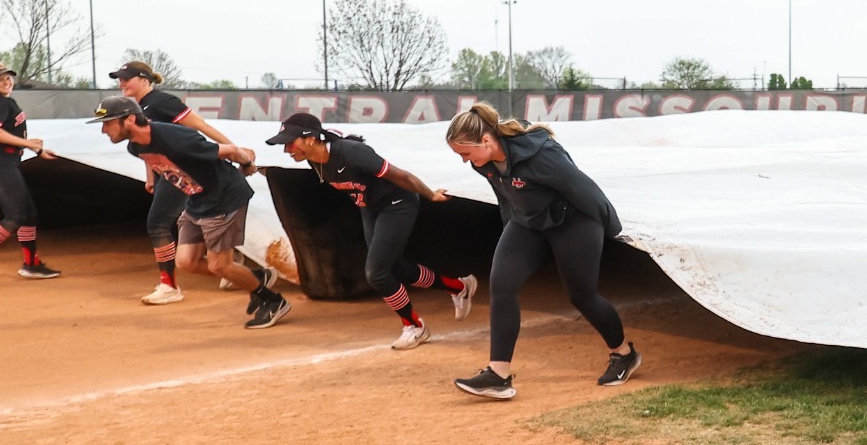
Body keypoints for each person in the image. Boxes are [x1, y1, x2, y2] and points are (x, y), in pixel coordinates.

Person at [443, 103, 638, 399]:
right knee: (502, 284)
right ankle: (498, 374)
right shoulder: (482, 163)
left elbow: (585, 191)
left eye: (464, 153)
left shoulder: (541, 154)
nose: (463, 160)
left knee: (582, 295)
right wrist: (510, 233)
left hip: (573, 220)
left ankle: (624, 354)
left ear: (485, 141)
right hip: (528, 222)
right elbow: (506, 197)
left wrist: (612, 230)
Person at [267, 112, 477, 349]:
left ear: (310, 139)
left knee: (376, 273)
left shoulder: (351, 153)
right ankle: (459, 287)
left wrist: (431, 195)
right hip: (370, 208)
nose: (287, 150)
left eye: (290, 143)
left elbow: (401, 176)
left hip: (397, 204)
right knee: (396, 268)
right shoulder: (314, 159)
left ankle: (415, 327)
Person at [88, 96, 291, 329]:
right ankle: (254, 278)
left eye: (108, 122)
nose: (104, 130)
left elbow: (230, 150)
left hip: (223, 198)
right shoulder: (135, 146)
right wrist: (153, 177)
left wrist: (247, 164)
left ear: (130, 119)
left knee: (219, 266)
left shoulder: (176, 138)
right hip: (197, 200)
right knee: (186, 262)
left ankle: (273, 300)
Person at [110, 60, 244, 304]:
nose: (121, 83)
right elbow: (146, 145)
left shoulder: (162, 101)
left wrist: (232, 148)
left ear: (144, 80)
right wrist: (151, 176)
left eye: (126, 78)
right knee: (185, 224)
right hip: (168, 172)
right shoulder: (137, 108)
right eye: (119, 79)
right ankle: (232, 266)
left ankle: (169, 286)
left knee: (158, 223)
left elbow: (200, 125)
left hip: (183, 171)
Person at [0, 63, 61, 283]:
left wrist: (34, 148)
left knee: (28, 215)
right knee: (15, 217)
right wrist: (30, 145)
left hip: (4, 162)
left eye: (8, 78)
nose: (6, 82)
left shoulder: (5, 101)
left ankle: (30, 264)